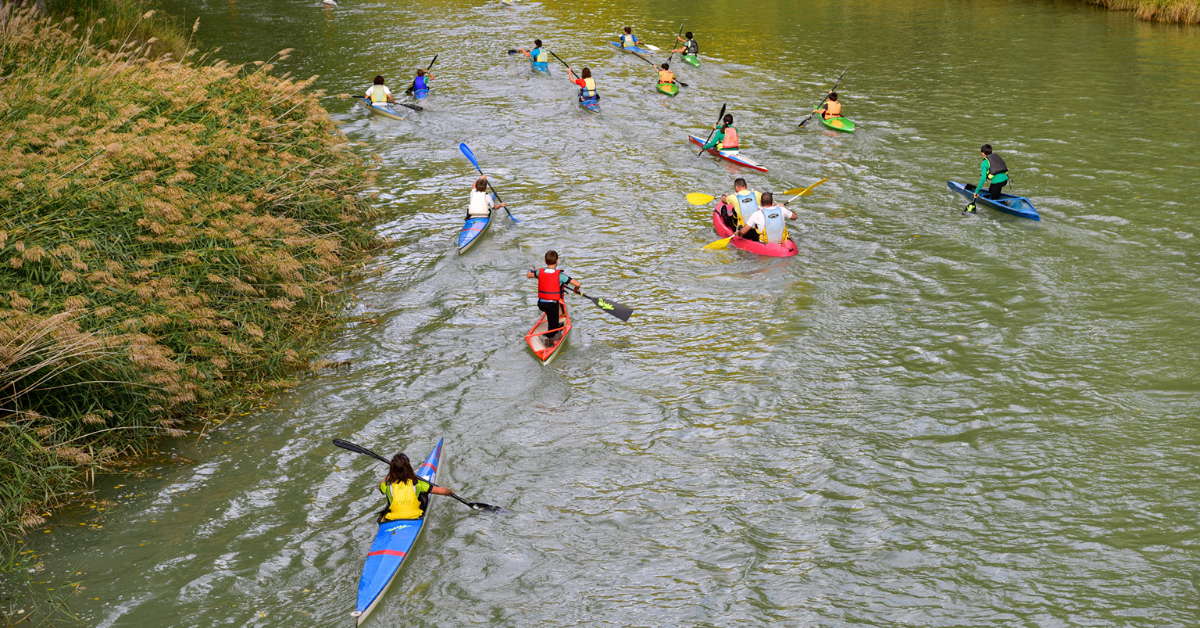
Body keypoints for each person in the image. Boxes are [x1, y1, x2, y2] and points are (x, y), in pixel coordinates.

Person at [378, 452, 454, 521]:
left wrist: (389, 476)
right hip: (415, 517)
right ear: (409, 468)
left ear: (391, 470)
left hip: (393, 517)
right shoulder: (417, 483)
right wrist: (450, 491)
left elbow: (380, 486)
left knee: (389, 496)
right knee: (423, 493)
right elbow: (443, 491)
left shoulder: (387, 485)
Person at [527, 250, 580, 344]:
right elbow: (577, 284)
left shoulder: (540, 272)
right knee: (553, 327)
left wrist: (531, 269)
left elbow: (529, 275)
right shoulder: (560, 276)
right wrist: (576, 290)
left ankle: (554, 323)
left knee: (552, 313)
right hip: (552, 306)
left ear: (545, 262)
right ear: (557, 261)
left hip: (541, 304)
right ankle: (548, 338)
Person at [972, 144, 1009, 209]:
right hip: (1005, 180)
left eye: (982, 154)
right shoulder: (996, 157)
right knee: (991, 190)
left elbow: (983, 178)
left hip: (997, 183)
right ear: (992, 152)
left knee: (994, 200)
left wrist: (976, 192)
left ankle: (1005, 203)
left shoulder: (984, 163)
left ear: (983, 154)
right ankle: (995, 194)